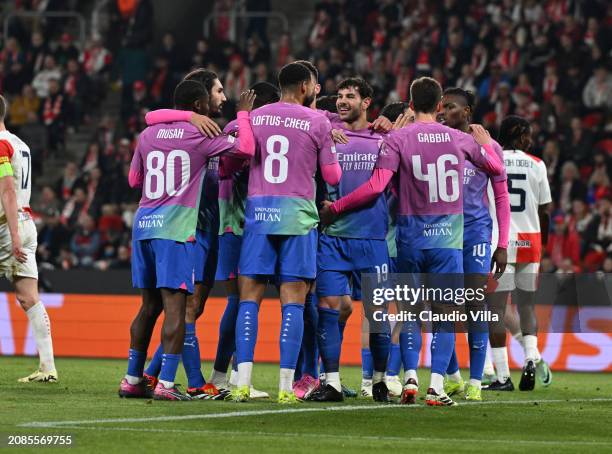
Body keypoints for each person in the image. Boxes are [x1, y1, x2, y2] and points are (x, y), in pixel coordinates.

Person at [320, 77, 504, 407]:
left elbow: (377, 185)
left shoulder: (398, 139)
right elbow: (494, 169)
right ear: (438, 106)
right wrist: (487, 144)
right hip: (447, 243)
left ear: (409, 103)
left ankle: (409, 380)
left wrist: (336, 207)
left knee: (409, 313)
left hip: (409, 241)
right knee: (445, 314)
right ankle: (436, 387)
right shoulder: (458, 139)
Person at [118, 80, 256, 401]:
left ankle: (132, 379)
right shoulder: (201, 135)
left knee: (148, 307)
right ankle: (167, 383)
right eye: (212, 95)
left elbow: (134, 180)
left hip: (144, 225)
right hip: (176, 229)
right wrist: (244, 115)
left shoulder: (147, 134)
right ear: (198, 105)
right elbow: (246, 149)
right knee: (176, 308)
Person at [232, 62, 341, 404]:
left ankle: (241, 383)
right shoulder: (317, 121)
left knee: (249, 299)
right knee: (292, 303)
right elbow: (333, 177)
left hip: (259, 214)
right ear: (307, 86)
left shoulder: (256, 115)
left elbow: (238, 155)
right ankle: (284, 388)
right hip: (297, 217)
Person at [310, 78, 390, 403]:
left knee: (378, 313)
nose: (342, 101)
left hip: (371, 238)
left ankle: (381, 382)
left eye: (350, 96)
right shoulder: (327, 133)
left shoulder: (384, 140)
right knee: (329, 308)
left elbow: (378, 186)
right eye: (340, 96)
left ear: (367, 101)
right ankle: (330, 382)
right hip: (333, 239)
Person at [439, 87, 510, 401]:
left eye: (450, 107)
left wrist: (503, 243)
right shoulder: (436, 141)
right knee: (440, 305)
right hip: (441, 233)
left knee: (474, 304)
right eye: (441, 106)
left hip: (476, 233)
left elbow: (502, 196)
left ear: (467, 112)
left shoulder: (489, 145)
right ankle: (452, 374)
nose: (443, 112)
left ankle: (476, 381)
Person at [485, 115, 553, 392]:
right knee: (526, 306)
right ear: (522, 136)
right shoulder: (538, 165)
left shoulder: (491, 160)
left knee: (496, 310)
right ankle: (530, 357)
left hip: (500, 243)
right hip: (531, 242)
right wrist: (544, 244)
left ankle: (502, 376)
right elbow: (544, 210)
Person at [0, 95, 58, 383]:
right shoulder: (20, 144)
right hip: (26, 222)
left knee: (28, 297)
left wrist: (11, 235)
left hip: (6, 228)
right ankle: (48, 367)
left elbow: (7, 191)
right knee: (28, 297)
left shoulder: (1, 145)